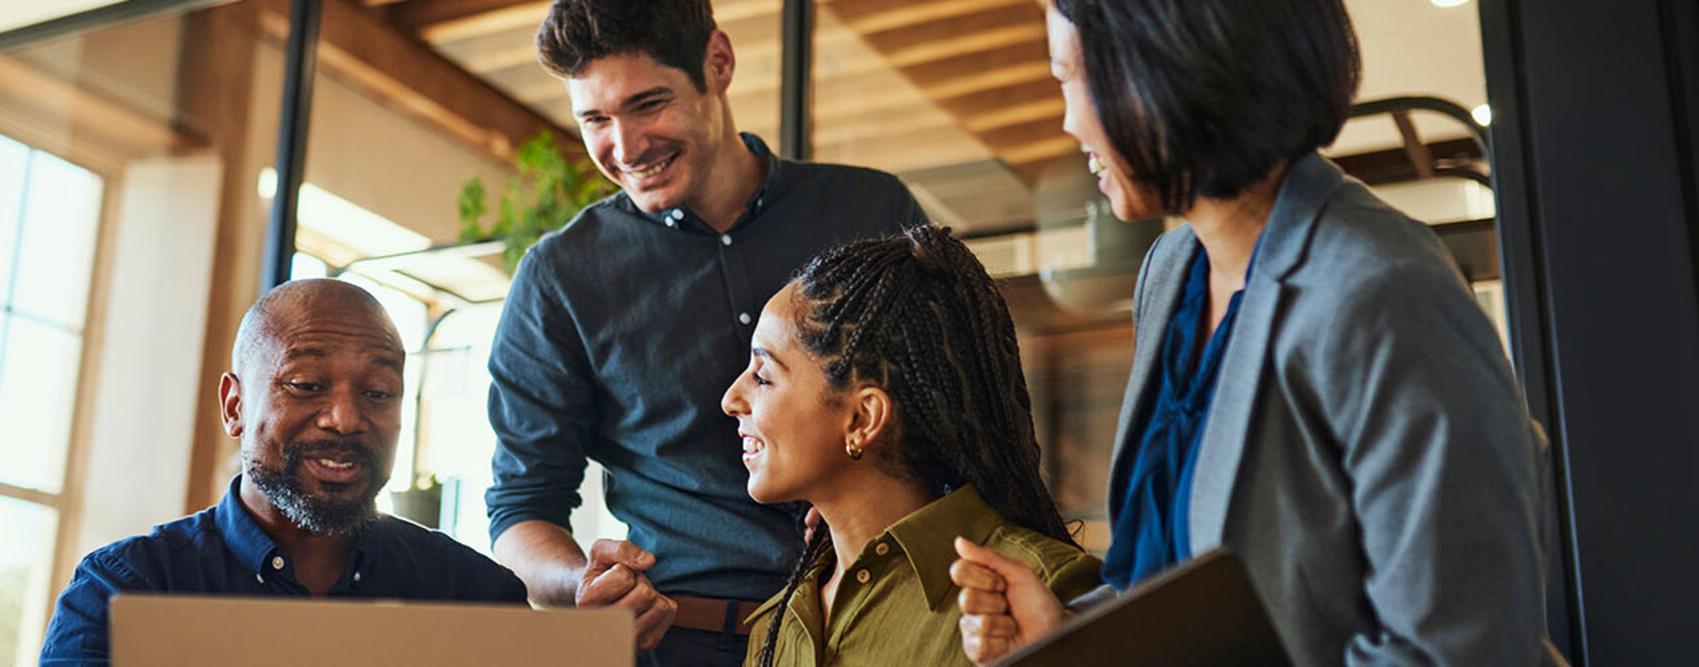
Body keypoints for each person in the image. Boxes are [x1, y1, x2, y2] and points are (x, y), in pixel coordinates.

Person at [951, 1, 1556, 665]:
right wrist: (1065, 631)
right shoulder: (1171, 272)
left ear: (1166, 66)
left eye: (1070, 78)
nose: (1067, 121)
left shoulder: (1383, 290)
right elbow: (1181, 584)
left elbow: (1462, 647)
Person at [483, 1, 930, 664]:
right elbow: (521, 511)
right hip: (682, 644)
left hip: (893, 625)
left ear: (717, 63)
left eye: (649, 104)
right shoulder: (560, 276)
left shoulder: (874, 211)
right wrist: (585, 584)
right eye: (595, 119)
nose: (626, 147)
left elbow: (960, 416)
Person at [40, 279, 526, 666]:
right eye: (307, 384)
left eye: (378, 392)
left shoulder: (476, 598)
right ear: (235, 406)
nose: (346, 418)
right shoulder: (126, 592)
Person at [724, 226, 1101, 667]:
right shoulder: (779, 627)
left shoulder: (1039, 593)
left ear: (862, 419)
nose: (731, 400)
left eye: (763, 376)